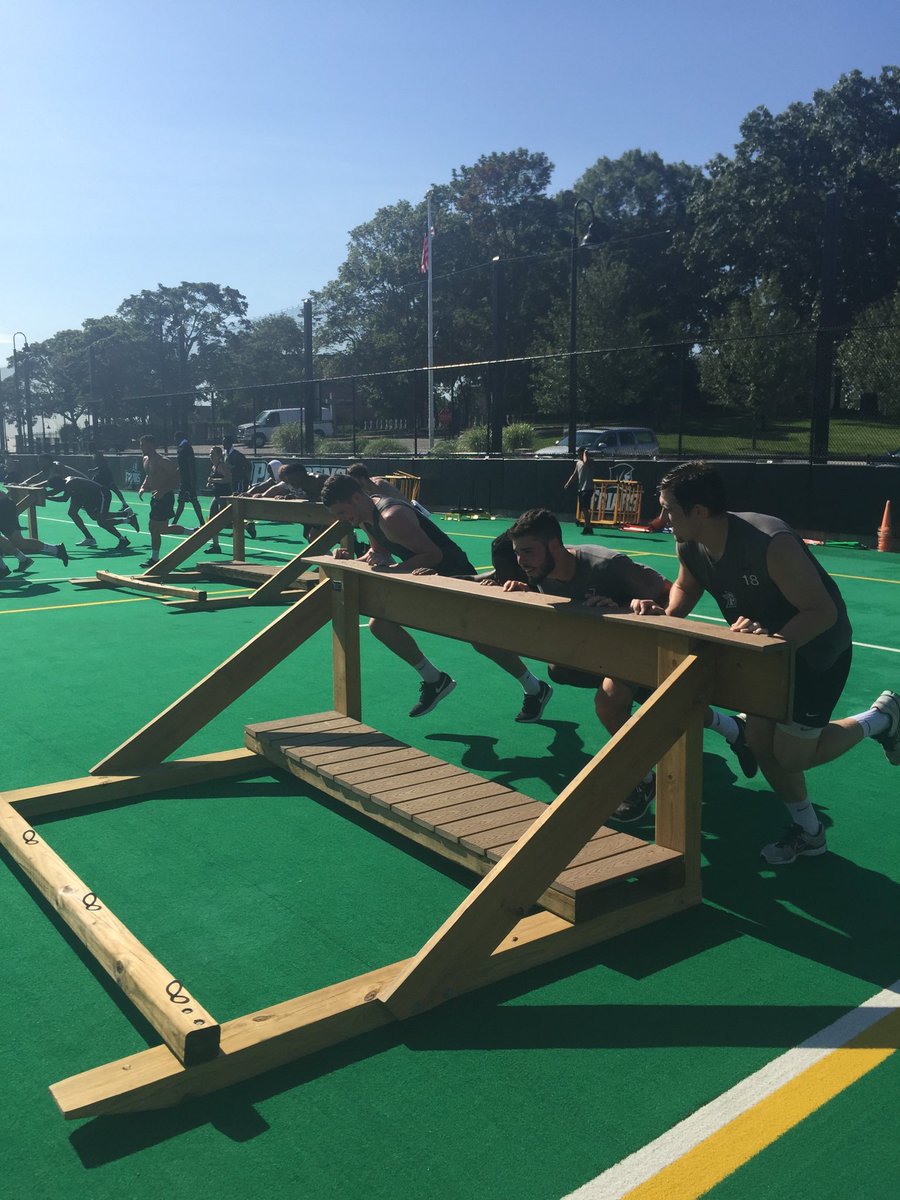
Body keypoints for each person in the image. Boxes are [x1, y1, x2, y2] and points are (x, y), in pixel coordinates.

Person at [632, 461, 899, 864]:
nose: (662, 518)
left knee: (793, 755)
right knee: (759, 742)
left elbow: (821, 612)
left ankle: (882, 719)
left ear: (699, 512)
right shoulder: (689, 542)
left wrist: (771, 643)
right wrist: (664, 613)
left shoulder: (770, 542)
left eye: (669, 509)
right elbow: (687, 586)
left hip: (815, 651)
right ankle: (810, 832)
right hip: (765, 657)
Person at [502, 508, 757, 820]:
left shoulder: (606, 565)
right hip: (603, 650)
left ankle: (643, 781)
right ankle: (735, 729)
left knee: (610, 704)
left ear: (555, 545)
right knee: (567, 671)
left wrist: (629, 609)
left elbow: (668, 599)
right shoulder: (539, 575)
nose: (521, 561)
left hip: (642, 644)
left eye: (528, 552)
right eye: (517, 553)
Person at [321, 472, 477, 717]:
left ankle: (533, 687)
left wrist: (392, 569)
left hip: (458, 579)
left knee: (486, 640)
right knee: (380, 624)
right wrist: (352, 559)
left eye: (342, 512)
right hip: (426, 580)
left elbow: (434, 556)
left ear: (355, 498)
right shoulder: (364, 518)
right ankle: (434, 679)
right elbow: (379, 551)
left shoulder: (391, 516)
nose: (342, 519)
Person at [43, 474, 137, 550]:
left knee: (101, 522)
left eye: (56, 487)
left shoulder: (71, 483)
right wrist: (45, 493)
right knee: (75, 513)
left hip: (102, 494)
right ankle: (90, 537)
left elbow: (64, 499)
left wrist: (46, 497)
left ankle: (124, 533)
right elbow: (56, 490)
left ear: (59, 484)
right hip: (86, 497)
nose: (57, 490)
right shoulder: (65, 482)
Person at [137, 435, 185, 568]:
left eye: (143, 445)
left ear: (151, 445)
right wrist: (143, 487)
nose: (141, 447)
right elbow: (149, 475)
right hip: (155, 497)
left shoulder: (163, 461)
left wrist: (163, 491)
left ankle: (154, 559)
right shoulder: (145, 459)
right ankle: (193, 531)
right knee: (161, 529)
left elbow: (177, 477)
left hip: (165, 497)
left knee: (154, 527)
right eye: (140, 445)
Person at [0, 484, 68, 574]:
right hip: (5, 505)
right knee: (19, 542)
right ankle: (22, 560)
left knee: (19, 542)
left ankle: (5, 568)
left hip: (4, 507)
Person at [346, 462, 432, 517]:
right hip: (401, 514)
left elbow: (378, 509)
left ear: (361, 478)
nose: (352, 483)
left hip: (411, 514)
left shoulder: (378, 485)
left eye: (353, 479)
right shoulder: (366, 487)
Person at [171, 431, 204, 526]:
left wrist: (192, 480)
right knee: (182, 501)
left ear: (178, 439)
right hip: (184, 479)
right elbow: (182, 465)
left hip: (188, 480)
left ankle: (201, 522)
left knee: (193, 500)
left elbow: (190, 464)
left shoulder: (186, 448)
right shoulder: (181, 448)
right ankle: (175, 522)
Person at [205, 445, 232, 554]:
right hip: (217, 496)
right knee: (212, 520)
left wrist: (214, 480)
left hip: (224, 496)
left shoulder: (222, 466)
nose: (210, 456)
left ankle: (246, 525)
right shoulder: (213, 467)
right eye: (210, 454)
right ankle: (216, 545)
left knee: (225, 521)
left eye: (213, 454)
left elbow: (228, 478)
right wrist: (210, 483)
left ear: (219, 456)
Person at [564, 448, 595, 535]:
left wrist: (585, 453)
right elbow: (575, 474)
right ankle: (588, 526)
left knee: (585, 508)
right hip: (581, 489)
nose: (579, 455)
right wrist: (568, 483)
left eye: (581, 453)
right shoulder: (578, 463)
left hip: (588, 488)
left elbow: (585, 462)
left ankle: (588, 527)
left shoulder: (590, 461)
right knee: (583, 509)